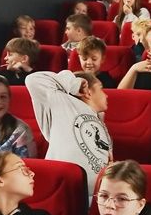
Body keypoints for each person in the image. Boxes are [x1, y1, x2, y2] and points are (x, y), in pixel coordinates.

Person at [26, 70, 111, 198]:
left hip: (96, 195)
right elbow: (33, 80)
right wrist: (75, 85)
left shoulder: (100, 123)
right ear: (88, 92)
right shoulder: (62, 103)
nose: (107, 95)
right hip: (61, 188)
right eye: (101, 89)